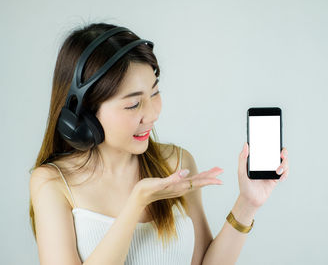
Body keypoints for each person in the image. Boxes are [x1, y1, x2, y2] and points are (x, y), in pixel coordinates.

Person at [28, 22, 290, 265]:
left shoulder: (176, 162)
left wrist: (248, 203)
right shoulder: (53, 183)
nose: (152, 114)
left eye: (154, 93)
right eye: (133, 104)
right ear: (83, 113)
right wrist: (136, 203)